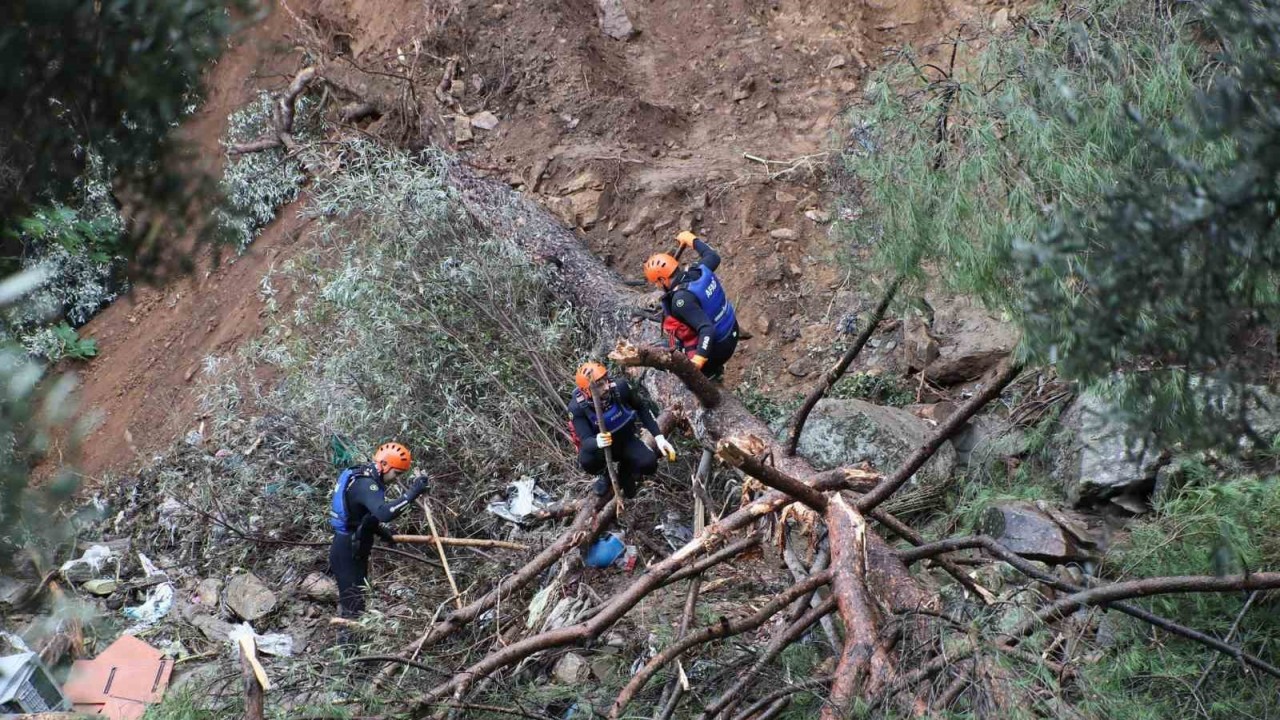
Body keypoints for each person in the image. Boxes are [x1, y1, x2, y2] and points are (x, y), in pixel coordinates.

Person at [328, 442, 429, 619]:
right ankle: (348, 645)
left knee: (357, 600)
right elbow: (383, 513)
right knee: (353, 606)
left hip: (354, 547)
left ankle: (353, 642)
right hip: (346, 550)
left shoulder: (366, 476)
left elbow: (363, 516)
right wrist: (412, 493)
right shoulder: (366, 484)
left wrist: (383, 534)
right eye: (396, 473)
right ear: (384, 465)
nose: (396, 478)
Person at [568, 362, 677, 498]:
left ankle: (626, 468)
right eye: (600, 385)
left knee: (649, 464)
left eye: (605, 381)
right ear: (587, 390)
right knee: (586, 460)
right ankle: (606, 475)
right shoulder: (577, 408)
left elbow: (641, 408)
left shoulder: (620, 388)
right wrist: (597, 441)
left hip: (625, 440)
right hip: (602, 449)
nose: (606, 387)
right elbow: (585, 440)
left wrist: (659, 437)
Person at [644, 231, 740, 378]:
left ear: (663, 280)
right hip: (732, 328)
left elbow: (707, 329)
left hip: (720, 346)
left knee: (667, 354)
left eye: (656, 282)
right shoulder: (698, 271)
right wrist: (692, 240)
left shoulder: (680, 301)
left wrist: (698, 361)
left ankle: (710, 372)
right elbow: (713, 256)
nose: (657, 286)